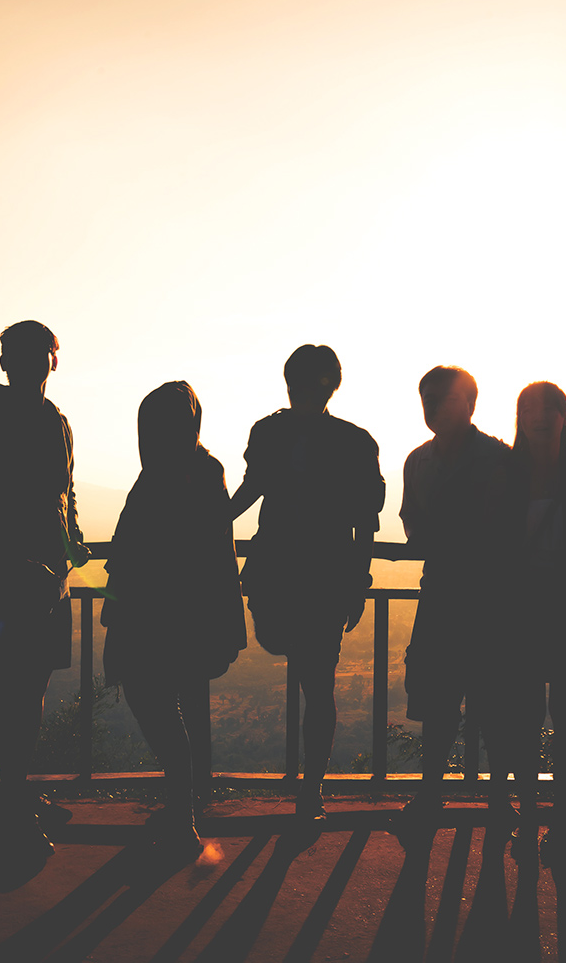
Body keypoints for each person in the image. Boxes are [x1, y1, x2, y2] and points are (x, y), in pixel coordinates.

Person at [230, 345, 384, 824]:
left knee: (311, 677)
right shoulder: (354, 442)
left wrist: (209, 521)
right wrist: (358, 579)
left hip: (292, 572)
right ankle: (311, 790)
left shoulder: (270, 432)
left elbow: (251, 489)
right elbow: (366, 524)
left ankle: (311, 788)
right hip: (322, 575)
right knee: (317, 682)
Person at [102, 382, 246, 857]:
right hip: (179, 615)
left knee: (159, 710)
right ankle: (183, 809)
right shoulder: (200, 471)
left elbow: (153, 547)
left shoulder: (178, 475)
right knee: (169, 710)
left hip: (159, 615)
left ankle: (182, 816)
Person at [0, 321, 88, 857]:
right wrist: (40, 552)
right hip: (15, 573)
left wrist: (72, 537)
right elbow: (3, 500)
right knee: (16, 688)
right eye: (26, 353)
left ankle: (13, 795)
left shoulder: (53, 420)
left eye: (41, 353)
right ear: (6, 362)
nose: (36, 362)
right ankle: (8, 808)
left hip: (45, 576)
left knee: (28, 689)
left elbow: (64, 490)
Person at [493, 382, 566, 856]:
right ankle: (537, 817)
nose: (540, 416)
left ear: (565, 415)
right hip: (534, 614)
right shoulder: (510, 475)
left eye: (549, 408)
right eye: (529, 408)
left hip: (562, 615)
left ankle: (562, 819)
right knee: (529, 718)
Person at [397, 366, 511, 827]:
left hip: (487, 600)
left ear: (470, 404)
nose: (432, 407)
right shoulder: (418, 460)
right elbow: (410, 518)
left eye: (441, 398)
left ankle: (498, 798)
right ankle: (432, 796)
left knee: (491, 704)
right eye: (427, 399)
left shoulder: (498, 458)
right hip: (441, 595)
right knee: (439, 703)